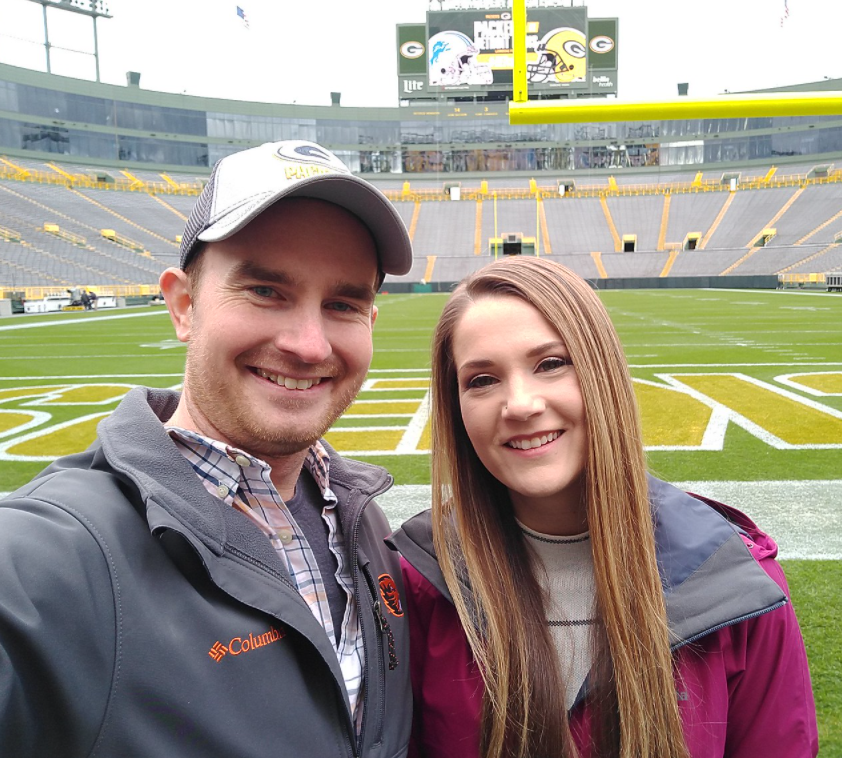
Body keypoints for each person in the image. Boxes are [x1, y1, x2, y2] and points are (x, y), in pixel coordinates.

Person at [0, 140, 413, 757]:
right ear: (183, 304)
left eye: (343, 304)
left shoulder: (359, 516)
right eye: (265, 291)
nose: (308, 344)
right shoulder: (54, 557)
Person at [388, 257, 818, 758]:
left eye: (551, 363)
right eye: (482, 380)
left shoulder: (734, 585)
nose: (520, 404)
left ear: (603, 374)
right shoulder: (418, 586)